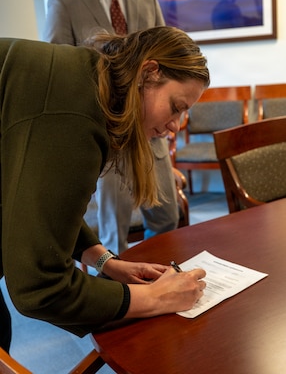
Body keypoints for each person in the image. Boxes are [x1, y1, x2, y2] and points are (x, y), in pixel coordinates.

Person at [0, 26, 209, 352]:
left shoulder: (86, 79)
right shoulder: (74, 112)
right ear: (149, 72)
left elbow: (43, 205)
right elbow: (39, 288)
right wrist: (154, 298)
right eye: (176, 107)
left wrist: (104, 262)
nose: (175, 126)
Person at [43, 0, 179, 254]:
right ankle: (112, 292)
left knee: (167, 218)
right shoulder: (64, 3)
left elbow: (168, 58)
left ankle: (156, 276)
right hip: (107, 134)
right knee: (113, 234)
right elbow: (58, 73)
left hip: (150, 134)